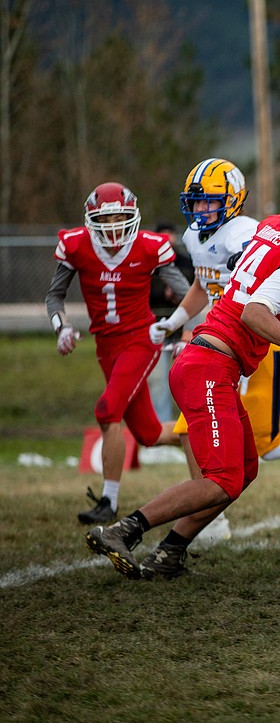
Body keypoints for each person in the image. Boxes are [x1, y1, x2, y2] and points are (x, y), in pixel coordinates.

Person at [84, 178, 280, 581]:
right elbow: (254, 312)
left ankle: (170, 552)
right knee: (220, 480)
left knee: (243, 471)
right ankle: (124, 529)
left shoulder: (275, 227)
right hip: (210, 364)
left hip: (213, 362)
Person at [47, 182, 189, 524]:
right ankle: (196, 434)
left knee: (107, 410)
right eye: (105, 219)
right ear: (92, 220)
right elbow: (55, 296)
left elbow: (190, 293)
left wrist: (177, 328)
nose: (112, 226)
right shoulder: (76, 245)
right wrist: (61, 328)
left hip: (140, 340)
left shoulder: (150, 247)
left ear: (132, 217)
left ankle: (109, 503)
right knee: (149, 434)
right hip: (105, 347)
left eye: (119, 218)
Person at [147, 222, 195, 424]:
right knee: (158, 380)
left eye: (170, 234)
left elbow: (195, 291)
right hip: (157, 327)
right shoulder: (148, 263)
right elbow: (145, 294)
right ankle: (162, 425)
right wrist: (163, 293)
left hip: (183, 330)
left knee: (188, 379)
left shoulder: (186, 261)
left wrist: (179, 295)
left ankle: (190, 424)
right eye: (163, 234)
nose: (168, 238)